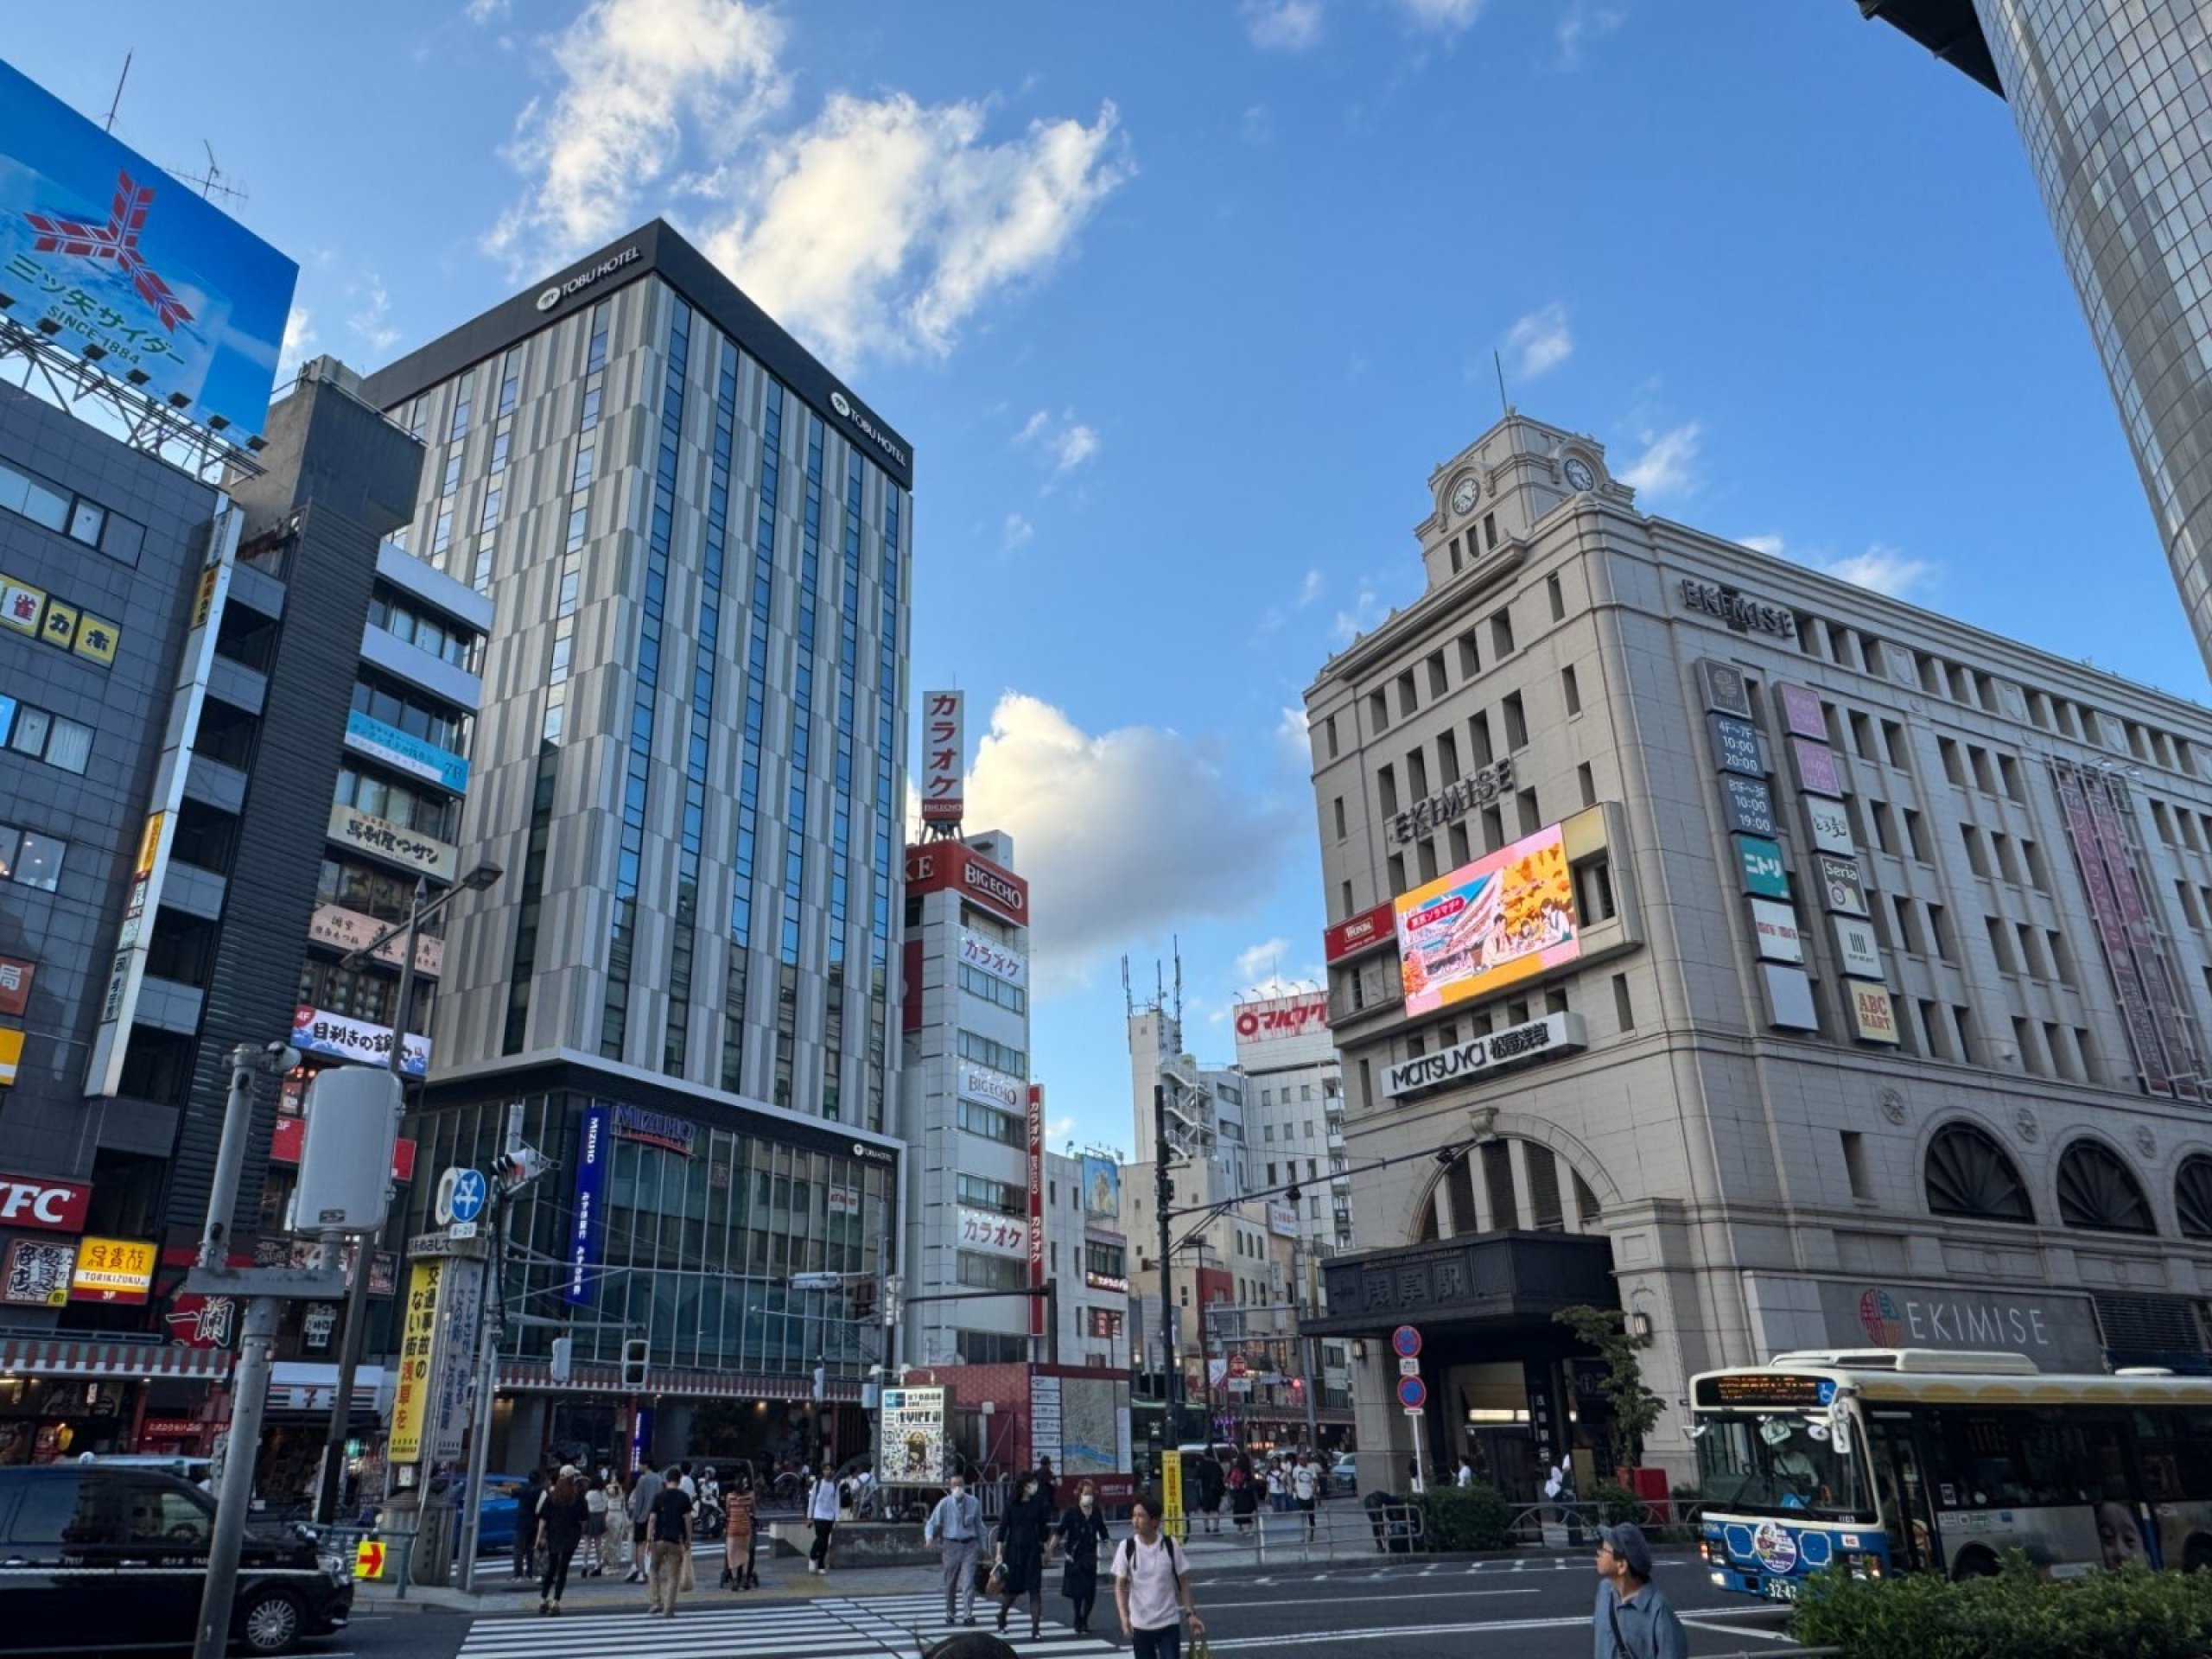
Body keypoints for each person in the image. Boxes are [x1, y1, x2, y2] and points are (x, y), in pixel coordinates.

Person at [1114, 1491, 1205, 1659]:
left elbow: (1183, 1582)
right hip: (1140, 1625)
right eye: (1134, 1516)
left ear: (1154, 1521)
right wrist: (1124, 1617)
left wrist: (1190, 1614)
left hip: (1168, 1623)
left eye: (1141, 1516)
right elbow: (1120, 1586)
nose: (1135, 1521)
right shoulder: (1126, 1547)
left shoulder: (1170, 1545)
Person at [1593, 1522, 1687, 1659]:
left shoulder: (1658, 1611)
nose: (1598, 1553)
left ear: (1622, 1566)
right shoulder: (1605, 1591)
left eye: (1604, 1550)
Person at [994, 1469, 1055, 1640]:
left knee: (1035, 1590)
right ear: (1024, 1486)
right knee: (1012, 1591)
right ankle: (1002, 1615)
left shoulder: (1037, 1503)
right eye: (1032, 1483)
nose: (1035, 1486)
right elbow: (1002, 1530)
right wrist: (999, 1553)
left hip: (1033, 1550)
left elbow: (1043, 1528)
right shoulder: (1011, 1503)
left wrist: (1046, 1549)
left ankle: (1036, 1629)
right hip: (1014, 1551)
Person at [925, 1467, 985, 1625]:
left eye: (960, 1484)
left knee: (968, 1581)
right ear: (950, 1487)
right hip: (951, 1545)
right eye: (954, 1485)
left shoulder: (973, 1502)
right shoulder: (944, 1503)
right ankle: (950, 1611)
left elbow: (980, 1526)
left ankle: (968, 1613)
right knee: (950, 1582)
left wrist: (983, 1546)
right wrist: (929, 1537)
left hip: (970, 1544)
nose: (957, 1488)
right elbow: (932, 1522)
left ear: (965, 1486)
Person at [1058, 1478, 1111, 1636]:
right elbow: (1060, 1531)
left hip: (1090, 1555)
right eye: (1086, 1493)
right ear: (1079, 1494)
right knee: (1078, 1591)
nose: (1089, 1496)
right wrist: (1049, 1549)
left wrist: (1112, 1552)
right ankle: (1078, 1617)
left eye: (1091, 1493)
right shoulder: (1072, 1512)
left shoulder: (1096, 1512)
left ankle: (1085, 1618)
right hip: (1075, 1556)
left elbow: (1103, 1532)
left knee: (1090, 1591)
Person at [537, 1465, 588, 1615]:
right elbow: (584, 1516)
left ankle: (543, 1599)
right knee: (563, 1569)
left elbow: (543, 1518)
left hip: (554, 1534)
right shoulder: (577, 1496)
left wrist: (539, 1537)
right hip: (571, 1535)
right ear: (572, 1478)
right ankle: (556, 1601)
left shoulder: (552, 1496)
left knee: (551, 1568)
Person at [645, 1462, 694, 1618]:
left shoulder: (658, 1497)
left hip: (658, 1539)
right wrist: (688, 1539)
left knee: (653, 1570)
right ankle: (668, 1609)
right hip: (675, 1540)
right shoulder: (684, 1497)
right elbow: (688, 1520)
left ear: (667, 1481)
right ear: (679, 1481)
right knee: (673, 1576)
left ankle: (655, 1602)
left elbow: (652, 1519)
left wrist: (648, 1539)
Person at [624, 1463, 663, 1585]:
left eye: (640, 1464)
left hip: (642, 1517)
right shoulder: (659, 1479)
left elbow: (639, 1501)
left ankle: (640, 1572)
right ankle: (650, 1571)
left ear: (645, 1465)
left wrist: (634, 1517)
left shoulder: (642, 1479)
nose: (638, 1466)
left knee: (640, 1545)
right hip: (656, 1516)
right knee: (652, 1544)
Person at [723, 1462, 760, 1590]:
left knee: (732, 1554)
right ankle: (744, 1579)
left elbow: (728, 1511)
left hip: (733, 1528)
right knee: (745, 1553)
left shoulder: (730, 1497)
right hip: (745, 1527)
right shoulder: (750, 1496)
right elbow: (753, 1510)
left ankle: (734, 1580)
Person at [807, 1459, 842, 1573]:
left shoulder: (835, 1485)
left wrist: (837, 1519)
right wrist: (810, 1516)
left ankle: (821, 1564)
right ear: (823, 1471)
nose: (829, 1472)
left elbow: (836, 1503)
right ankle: (813, 1556)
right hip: (818, 1515)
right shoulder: (818, 1484)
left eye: (831, 1470)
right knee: (820, 1539)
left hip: (829, 1517)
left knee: (825, 1541)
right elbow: (812, 1500)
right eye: (826, 1470)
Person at [512, 1468, 545, 1581]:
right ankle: (530, 1572)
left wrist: (496, 1488)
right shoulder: (540, 1491)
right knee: (530, 1549)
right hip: (534, 1522)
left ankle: (518, 1574)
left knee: (518, 1550)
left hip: (522, 1522)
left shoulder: (524, 1489)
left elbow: (512, 1492)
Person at [581, 1468, 609, 1579]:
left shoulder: (589, 1494)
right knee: (598, 1543)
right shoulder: (603, 1493)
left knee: (587, 1543)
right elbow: (606, 1507)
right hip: (599, 1517)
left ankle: (584, 1565)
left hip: (589, 1517)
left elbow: (585, 1506)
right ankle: (598, 1564)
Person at [1290, 1452, 1320, 1539]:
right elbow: (1293, 1480)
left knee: (1311, 1516)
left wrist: (1314, 1492)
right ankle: (1302, 1534)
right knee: (1301, 1516)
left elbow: (1315, 1480)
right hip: (1300, 1495)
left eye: (1304, 1459)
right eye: (1301, 1459)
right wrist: (1294, 1490)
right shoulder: (1296, 1469)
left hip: (1309, 1495)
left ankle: (1312, 1534)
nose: (1303, 1461)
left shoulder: (1311, 1468)